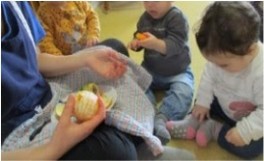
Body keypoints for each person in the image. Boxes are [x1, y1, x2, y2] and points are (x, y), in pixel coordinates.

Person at [1, 1, 195, 160]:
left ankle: (135, 136)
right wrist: (52, 150)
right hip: (17, 131)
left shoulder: (15, 4)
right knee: (117, 152)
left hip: (46, 92)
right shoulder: (44, 13)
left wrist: (85, 57)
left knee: (113, 50)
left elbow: (35, 59)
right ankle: (135, 142)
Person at [166, 2, 263, 159]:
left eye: (223, 65)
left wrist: (245, 131)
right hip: (222, 102)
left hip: (249, 116)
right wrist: (203, 103)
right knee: (202, 100)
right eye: (213, 62)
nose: (217, 67)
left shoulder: (261, 72)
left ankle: (214, 129)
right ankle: (193, 121)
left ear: (250, 51)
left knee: (252, 149)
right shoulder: (221, 57)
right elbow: (208, 77)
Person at [128, 1, 194, 144]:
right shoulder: (144, 18)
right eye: (146, 1)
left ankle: (162, 118)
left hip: (177, 71)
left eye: (156, 1)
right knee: (134, 82)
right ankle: (149, 114)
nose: (151, 5)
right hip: (151, 69)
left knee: (184, 91)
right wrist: (136, 43)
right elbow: (139, 35)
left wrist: (155, 44)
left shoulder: (177, 17)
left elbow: (176, 44)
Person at [35, 1, 129, 56]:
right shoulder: (43, 13)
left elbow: (92, 17)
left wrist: (92, 34)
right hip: (69, 60)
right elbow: (45, 43)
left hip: (90, 48)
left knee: (117, 45)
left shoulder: (79, 2)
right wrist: (62, 61)